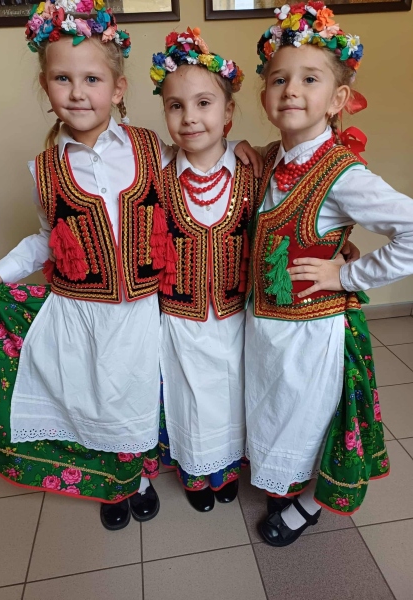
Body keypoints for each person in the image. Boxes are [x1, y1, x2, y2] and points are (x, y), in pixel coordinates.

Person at [0, 0, 172, 532]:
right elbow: (45, 238)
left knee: (135, 397)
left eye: (92, 79)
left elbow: (202, 167)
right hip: (80, 314)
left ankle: (137, 476)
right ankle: (111, 482)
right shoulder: (44, 169)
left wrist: (244, 151)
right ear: (46, 85)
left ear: (118, 89)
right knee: (92, 401)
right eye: (63, 78)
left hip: (140, 312)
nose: (78, 92)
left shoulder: (151, 149)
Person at [245, 2, 413, 546]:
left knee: (311, 417)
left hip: (311, 334)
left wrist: (347, 277)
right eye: (278, 79)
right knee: (275, 410)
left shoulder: (343, 175)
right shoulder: (270, 159)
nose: (291, 90)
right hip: (267, 326)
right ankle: (282, 478)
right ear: (264, 96)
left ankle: (309, 503)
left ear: (338, 99)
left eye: (310, 79)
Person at [149, 27, 269, 513]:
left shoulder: (253, 170)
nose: (190, 117)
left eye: (204, 103)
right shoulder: (155, 173)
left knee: (231, 393)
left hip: (236, 316)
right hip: (178, 319)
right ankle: (195, 472)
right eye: (176, 106)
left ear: (228, 112)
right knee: (188, 398)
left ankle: (227, 468)